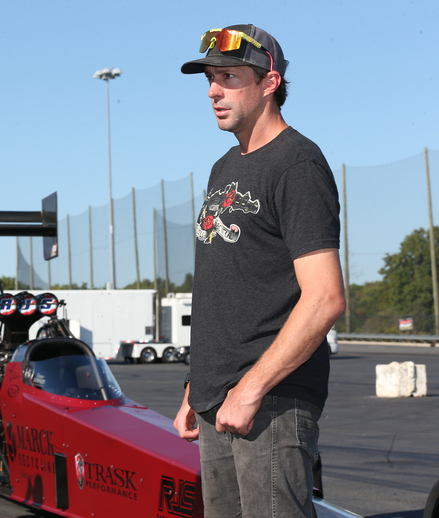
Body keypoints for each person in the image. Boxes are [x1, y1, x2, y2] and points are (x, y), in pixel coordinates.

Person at [172, 25, 346, 518]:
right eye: (210, 78)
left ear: (270, 82)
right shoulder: (224, 167)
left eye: (229, 76)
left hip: (269, 403)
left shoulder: (297, 163)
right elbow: (228, 288)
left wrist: (250, 390)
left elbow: (325, 297)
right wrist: (196, 386)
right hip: (216, 401)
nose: (213, 91)